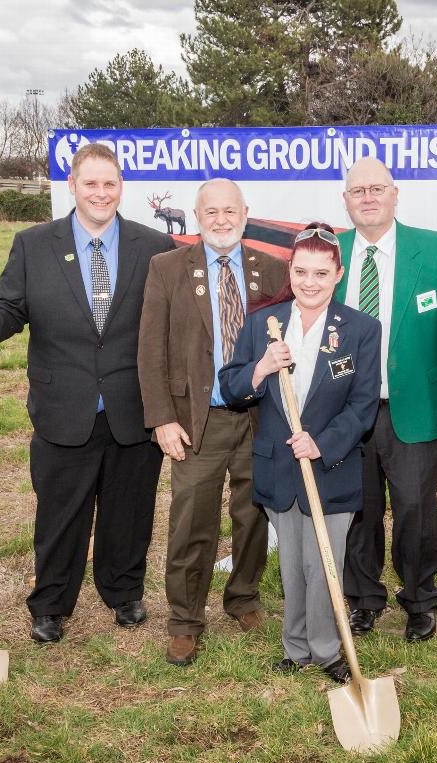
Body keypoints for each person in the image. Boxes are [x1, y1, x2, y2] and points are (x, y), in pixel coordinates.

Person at [0, 143, 175, 644]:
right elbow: (12, 310)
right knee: (61, 513)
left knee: (131, 508)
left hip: (133, 406)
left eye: (110, 184)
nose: (101, 193)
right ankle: (51, 604)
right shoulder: (34, 244)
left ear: (121, 187)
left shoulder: (154, 246)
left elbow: (170, 322)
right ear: (73, 186)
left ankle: (124, 592)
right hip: (64, 408)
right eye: (90, 183)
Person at [219, 223, 381, 683]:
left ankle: (328, 649)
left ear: (338, 274)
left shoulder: (361, 330)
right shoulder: (261, 326)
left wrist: (323, 442)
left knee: (323, 561)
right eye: (302, 272)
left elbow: (363, 404)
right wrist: (262, 367)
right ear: (290, 270)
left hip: (332, 464)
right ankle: (296, 648)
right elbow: (231, 388)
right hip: (279, 467)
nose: (310, 282)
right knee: (291, 563)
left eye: (321, 273)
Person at [137, 178, 285, 666]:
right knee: (191, 520)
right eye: (211, 213)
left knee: (252, 514)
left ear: (246, 212)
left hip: (260, 416)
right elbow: (151, 349)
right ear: (197, 218)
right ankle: (184, 619)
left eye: (230, 211)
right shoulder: (167, 268)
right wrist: (161, 418)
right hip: (197, 419)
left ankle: (243, 597)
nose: (222, 220)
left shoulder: (273, 270)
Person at [335, 157, 437, 643]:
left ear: (396, 194)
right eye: (357, 191)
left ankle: (419, 599)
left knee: (416, 510)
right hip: (347, 412)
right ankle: (364, 600)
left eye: (377, 188)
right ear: (346, 200)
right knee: (358, 510)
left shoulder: (433, 250)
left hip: (412, 409)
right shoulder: (332, 251)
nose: (368, 198)